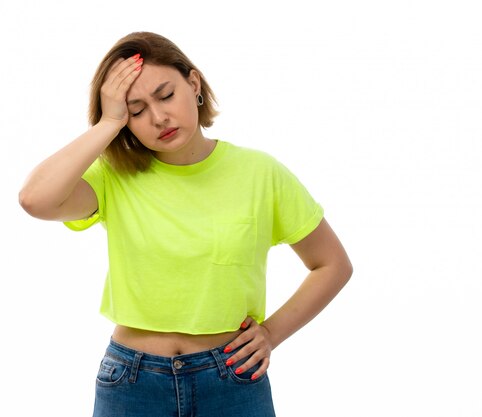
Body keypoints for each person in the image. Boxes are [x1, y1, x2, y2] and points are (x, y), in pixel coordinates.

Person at [19, 31, 352, 417]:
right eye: (136, 110)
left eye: (165, 95)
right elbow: (34, 199)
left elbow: (332, 264)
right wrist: (109, 122)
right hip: (132, 380)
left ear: (193, 83)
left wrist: (272, 334)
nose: (159, 117)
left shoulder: (261, 173)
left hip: (232, 376)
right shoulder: (113, 177)